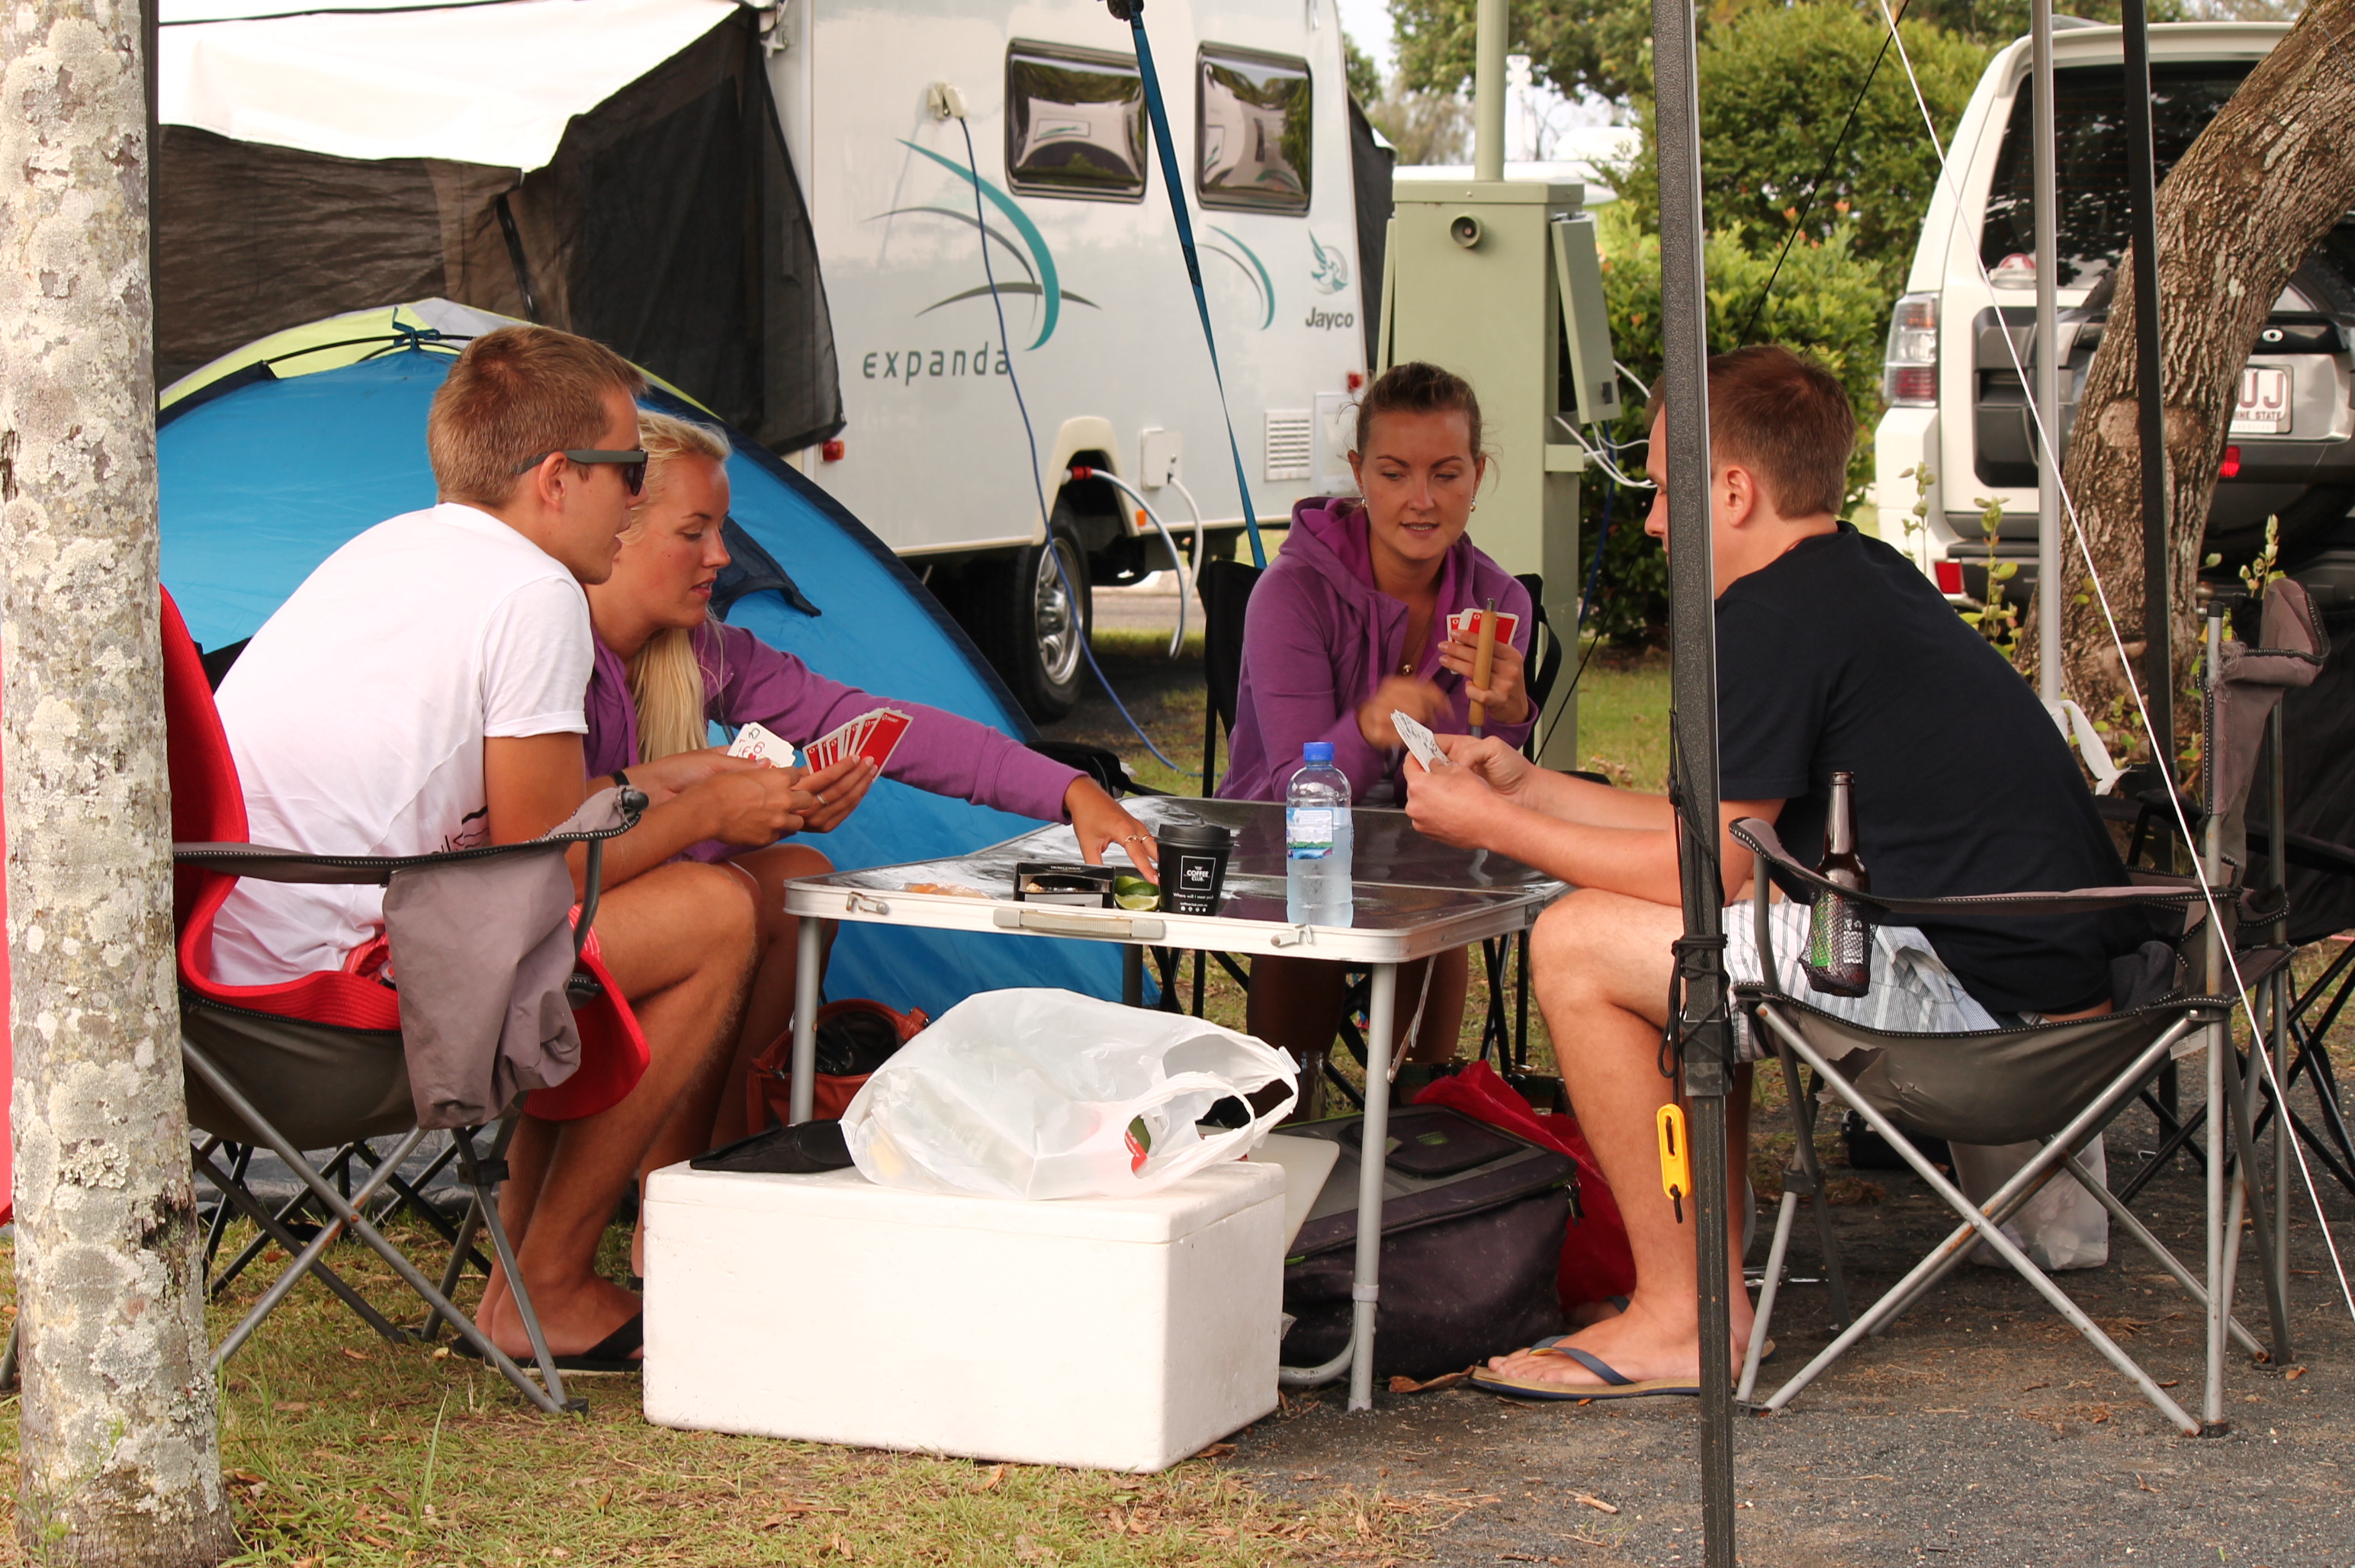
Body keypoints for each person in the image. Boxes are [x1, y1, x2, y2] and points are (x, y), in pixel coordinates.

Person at [1401, 345, 2144, 1396]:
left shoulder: (1769, 617)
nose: (1652, 523)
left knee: (1578, 941)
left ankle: (1684, 1316)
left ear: (1734, 491)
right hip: (2058, 1014)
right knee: (1686, 948)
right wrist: (1526, 788)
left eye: (1665, 490)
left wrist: (1490, 825)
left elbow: (1705, 876)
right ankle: (1702, 1272)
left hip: (1985, 1031)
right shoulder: (1854, 577)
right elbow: (1727, 836)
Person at [212, 325, 785, 1370]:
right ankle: (546, 1287)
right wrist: (708, 815)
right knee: (717, 914)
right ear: (559, 479)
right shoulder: (535, 595)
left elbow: (520, 819)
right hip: (331, 1017)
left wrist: (663, 780)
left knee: (597, 928)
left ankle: (526, 1270)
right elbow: (546, 871)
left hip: (214, 1005)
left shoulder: (384, 550)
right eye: (628, 472)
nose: (635, 500)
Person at [580, 412, 1158, 1146]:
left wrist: (1069, 790)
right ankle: (669, 1167)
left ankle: (715, 1148)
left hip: (636, 905)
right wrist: (721, 817)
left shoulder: (702, 652)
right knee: (725, 897)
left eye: (722, 530)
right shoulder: (553, 651)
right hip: (549, 923)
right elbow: (550, 846)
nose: (722, 557)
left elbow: (882, 725)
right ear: (617, 530)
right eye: (695, 533)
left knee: (795, 875)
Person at [1218, 361, 1535, 1096]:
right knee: (1314, 883)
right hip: (1283, 844)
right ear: (1360, 472)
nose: (1422, 501)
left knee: (1436, 883)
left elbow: (1489, 788)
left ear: (1478, 475)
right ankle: (1288, 1108)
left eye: (1447, 475)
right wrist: (1369, 725)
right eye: (1395, 474)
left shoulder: (1499, 601)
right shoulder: (1291, 591)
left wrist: (1511, 712)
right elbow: (1289, 793)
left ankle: (1415, 1115)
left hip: (1428, 854)